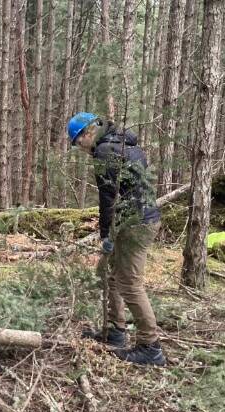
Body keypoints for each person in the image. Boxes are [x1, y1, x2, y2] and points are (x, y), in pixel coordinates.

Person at [67, 112, 165, 366]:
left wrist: (105, 235)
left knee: (130, 283)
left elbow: (108, 198)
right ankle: (116, 332)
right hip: (135, 220)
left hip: (136, 224)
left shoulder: (104, 152)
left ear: (88, 133)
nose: (81, 149)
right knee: (112, 275)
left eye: (78, 143)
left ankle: (150, 346)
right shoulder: (126, 144)